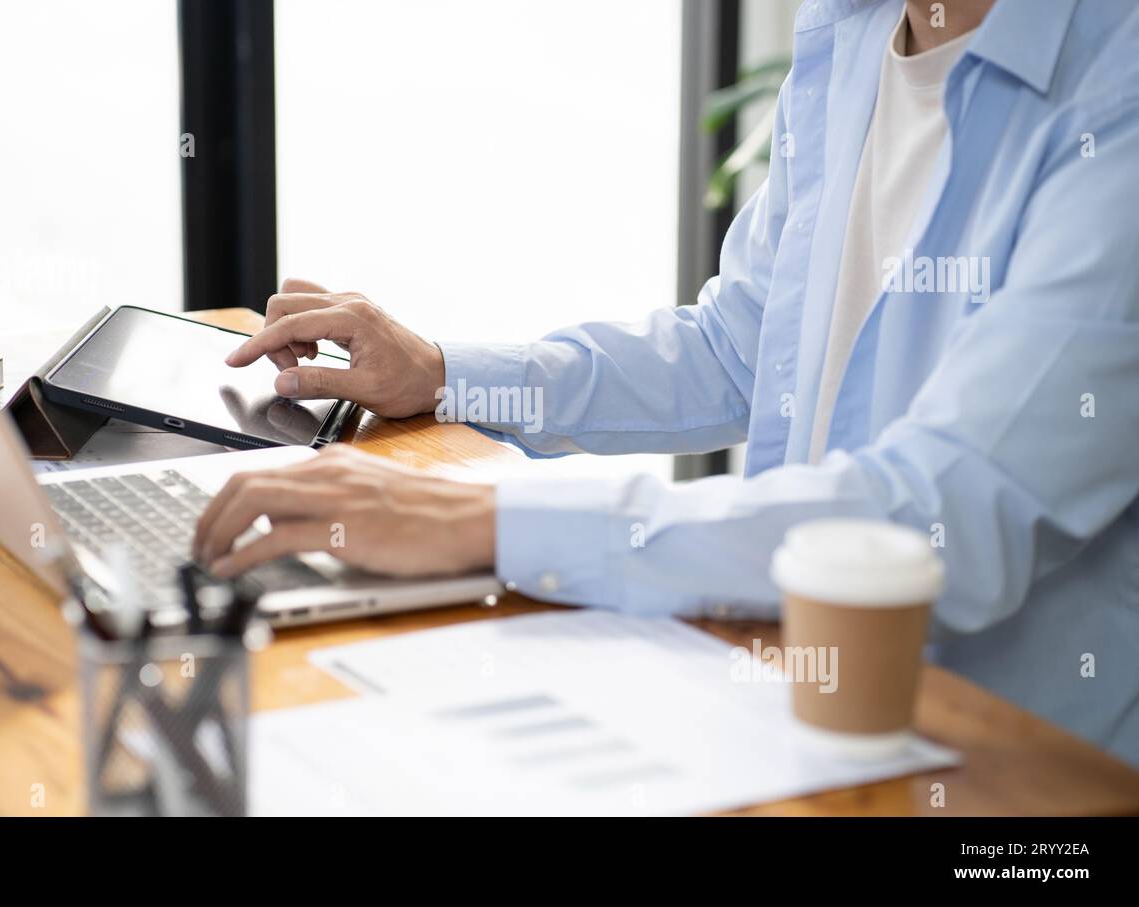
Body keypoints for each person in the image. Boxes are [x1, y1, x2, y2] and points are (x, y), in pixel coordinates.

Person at [193, 0, 1139, 766]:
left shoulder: (1115, 99)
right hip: (796, 711)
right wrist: (446, 376)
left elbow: (940, 511)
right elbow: (739, 347)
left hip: (1009, 770)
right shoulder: (856, 33)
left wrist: (481, 522)